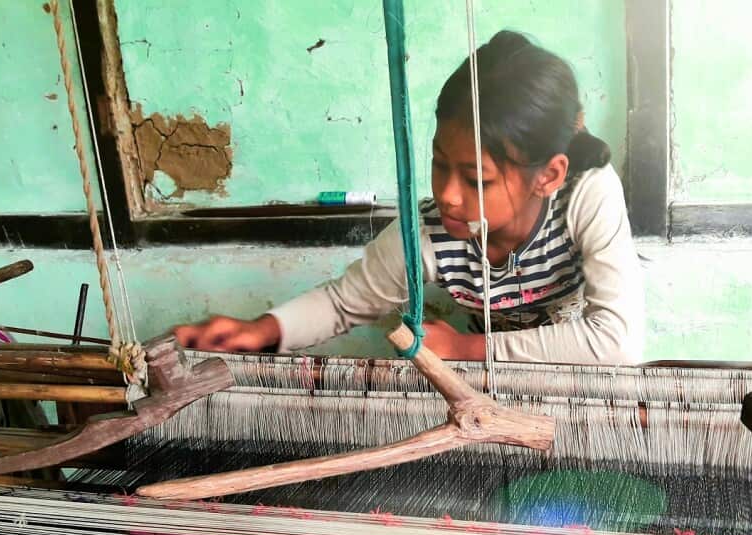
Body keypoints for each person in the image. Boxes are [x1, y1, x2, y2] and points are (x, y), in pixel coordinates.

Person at [175, 30, 645, 365]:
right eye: (440, 165)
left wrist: (463, 350)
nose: (447, 195)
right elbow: (343, 304)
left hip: (583, 398)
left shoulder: (586, 195)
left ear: (548, 176)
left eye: (475, 179)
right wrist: (261, 332)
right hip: (482, 392)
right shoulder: (431, 234)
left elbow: (616, 343)